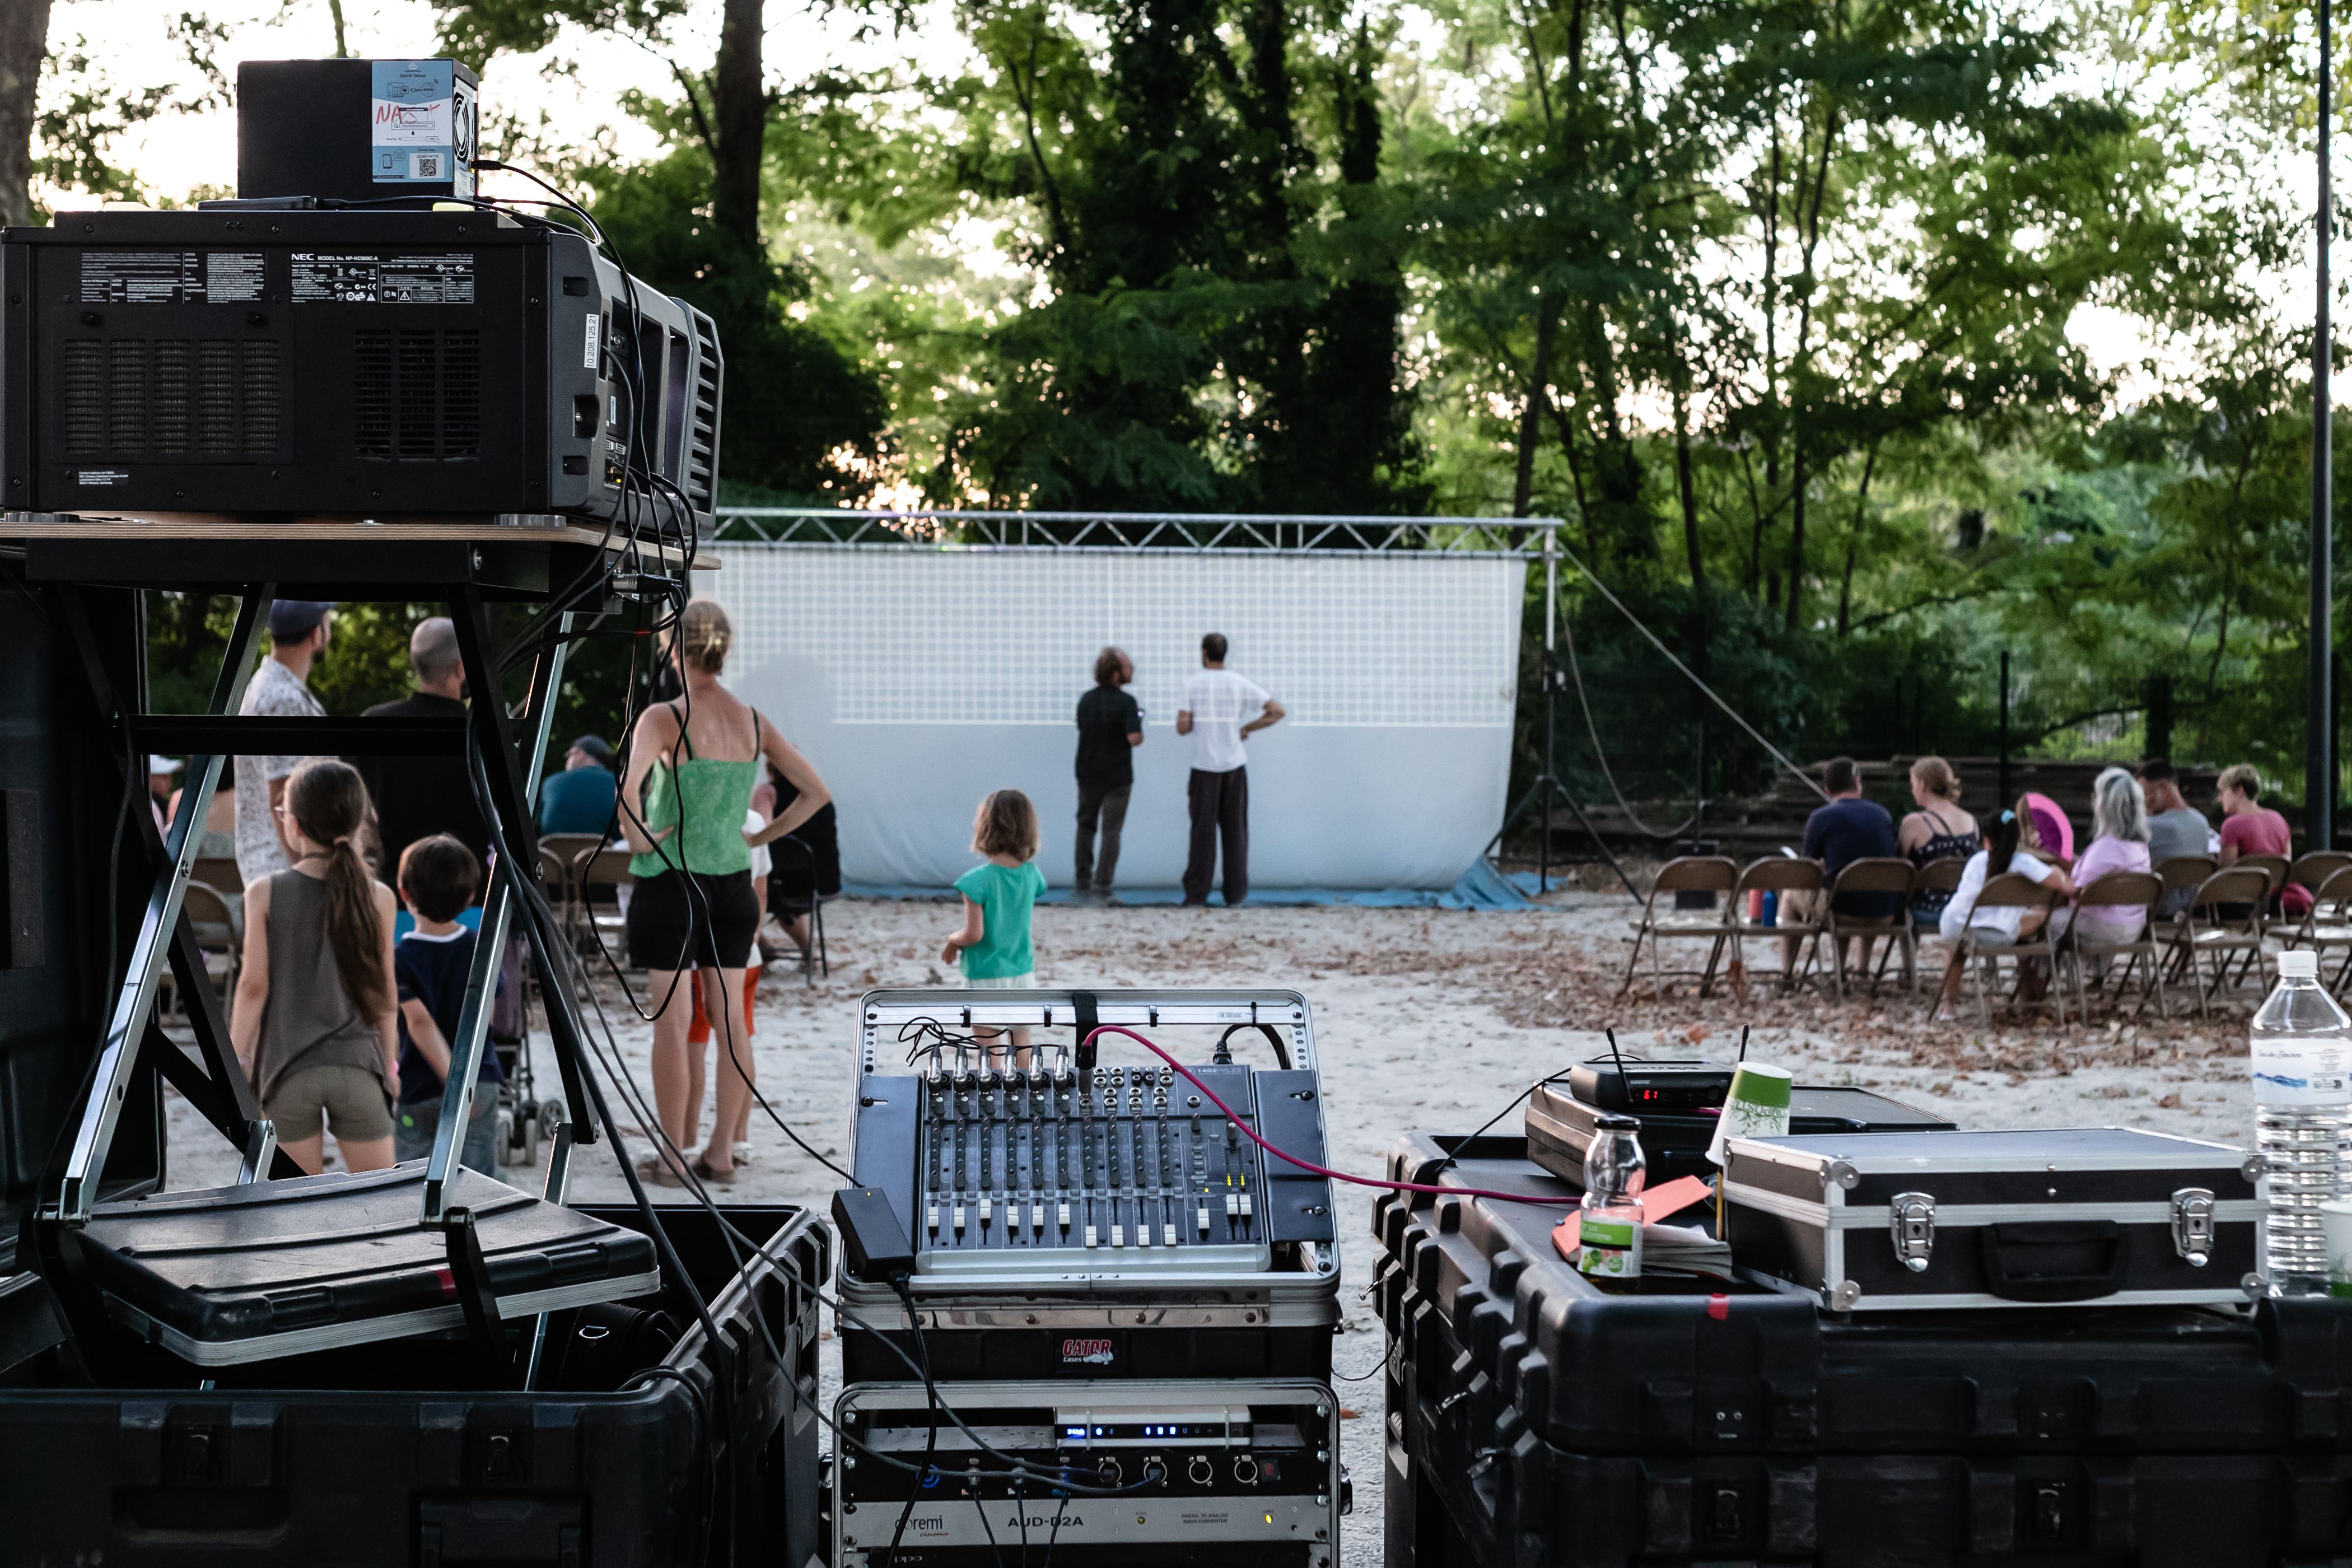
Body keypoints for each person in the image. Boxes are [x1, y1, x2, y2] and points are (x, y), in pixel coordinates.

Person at [620, 599, 830, 1186]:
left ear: (672, 647)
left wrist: (641, 838)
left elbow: (629, 792)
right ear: (725, 647)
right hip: (736, 882)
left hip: (675, 880)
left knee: (673, 1021)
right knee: (731, 1019)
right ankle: (720, 1150)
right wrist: (761, 834)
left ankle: (670, 1154)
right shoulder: (753, 720)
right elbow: (815, 792)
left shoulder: (663, 717)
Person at [228, 758, 401, 1175]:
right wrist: (391, 1066)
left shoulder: (264, 893)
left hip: (287, 1071)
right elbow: (385, 995)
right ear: (359, 821)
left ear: (295, 825)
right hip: (359, 1066)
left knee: (298, 1216)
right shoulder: (379, 897)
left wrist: (233, 1064)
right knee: (379, 1206)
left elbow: (253, 987)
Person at [389, 834, 503, 1173]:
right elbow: (487, 1016)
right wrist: (467, 1083)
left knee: (413, 1183)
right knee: (479, 1184)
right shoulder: (482, 948)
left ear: (404, 892)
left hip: (422, 1087)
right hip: (480, 1081)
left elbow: (419, 1024)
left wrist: (455, 1085)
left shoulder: (401, 958)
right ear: (470, 896)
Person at [360, 616, 490, 880]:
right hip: (467, 890)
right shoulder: (480, 732)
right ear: (462, 668)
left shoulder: (375, 723)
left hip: (394, 887)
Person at [1933, 800, 2076, 1021]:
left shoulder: (1976, 861)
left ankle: (1948, 1008)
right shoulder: (2024, 863)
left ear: (1987, 841)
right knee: (2041, 912)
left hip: (1954, 926)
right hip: (1996, 936)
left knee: (1957, 949)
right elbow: (2067, 887)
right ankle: (2031, 995)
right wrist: (2058, 870)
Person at [942, 789, 1048, 1067]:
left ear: (986, 829)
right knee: (1022, 1043)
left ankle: (993, 1104)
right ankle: (1027, 1094)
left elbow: (974, 935)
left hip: (986, 974)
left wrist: (953, 940)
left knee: (990, 1051)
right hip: (1022, 972)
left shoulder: (976, 882)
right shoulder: (1032, 875)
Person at [1177, 632, 1283, 907]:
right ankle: (1235, 894)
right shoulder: (1238, 682)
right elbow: (1276, 711)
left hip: (1203, 766)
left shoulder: (1193, 684)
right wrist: (1245, 728)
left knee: (1202, 833)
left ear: (1204, 653)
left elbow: (1182, 727)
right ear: (1224, 653)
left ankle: (1196, 894)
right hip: (1234, 765)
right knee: (1236, 832)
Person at [234, 599, 334, 887]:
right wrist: (309, 873)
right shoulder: (284, 699)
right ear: (316, 634)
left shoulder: (266, 686)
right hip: (289, 870)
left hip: (274, 868)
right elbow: (284, 797)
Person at [1793, 757, 1901, 974]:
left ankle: (1787, 972)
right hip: (1884, 911)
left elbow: (1806, 869)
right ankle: (1862, 968)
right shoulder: (1883, 815)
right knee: (1867, 885)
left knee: (1790, 895)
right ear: (1857, 782)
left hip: (1840, 909)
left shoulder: (1821, 817)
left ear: (1827, 789)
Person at [2054, 766, 2154, 950]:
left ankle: (2038, 976)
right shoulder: (2140, 848)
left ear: (2104, 806)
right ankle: (2098, 975)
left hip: (2100, 928)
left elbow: (2077, 891)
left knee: (2041, 922)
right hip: (2134, 927)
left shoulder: (2105, 847)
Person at [1074, 646, 1144, 900]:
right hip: (1118, 777)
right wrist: (1140, 720)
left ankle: (1081, 885)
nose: (1132, 669)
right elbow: (1134, 739)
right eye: (1127, 666)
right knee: (1111, 832)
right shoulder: (1128, 703)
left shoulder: (1086, 700)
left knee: (1085, 827)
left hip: (1087, 772)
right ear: (1116, 674)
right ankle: (1102, 888)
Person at [2215, 762, 2309, 918]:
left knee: (2197, 901)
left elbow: (2225, 874)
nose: (2219, 798)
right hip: (2273, 902)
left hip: (2244, 904)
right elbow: (2286, 866)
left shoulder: (2232, 825)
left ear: (2239, 791)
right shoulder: (2279, 819)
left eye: (2222, 791)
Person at [1896, 755, 1978, 926]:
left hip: (1927, 910)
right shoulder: (1971, 821)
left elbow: (1898, 868)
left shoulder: (1915, 822)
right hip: (1965, 910)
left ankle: (1909, 954)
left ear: (1922, 784)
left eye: (1913, 784)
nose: (1912, 790)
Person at [2139, 759, 2215, 917]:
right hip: (2190, 910)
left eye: (2146, 793)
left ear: (2166, 787)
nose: (2143, 801)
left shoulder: (2148, 826)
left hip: (2153, 910)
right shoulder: (2201, 821)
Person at [539, 735, 619, 836]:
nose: (567, 762)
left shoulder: (550, 782)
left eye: (568, 755)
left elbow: (537, 826)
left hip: (553, 850)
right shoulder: (618, 783)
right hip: (606, 850)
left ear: (581, 754)